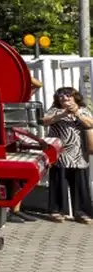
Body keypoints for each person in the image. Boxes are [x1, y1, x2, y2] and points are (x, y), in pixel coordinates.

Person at [43, 86, 93, 224]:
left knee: (80, 185)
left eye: (68, 96)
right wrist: (62, 114)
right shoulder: (55, 110)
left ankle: (81, 213)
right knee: (58, 182)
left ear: (75, 97)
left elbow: (90, 123)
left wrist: (76, 113)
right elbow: (45, 121)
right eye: (61, 97)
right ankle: (56, 211)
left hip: (78, 154)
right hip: (60, 153)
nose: (65, 99)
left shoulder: (83, 110)